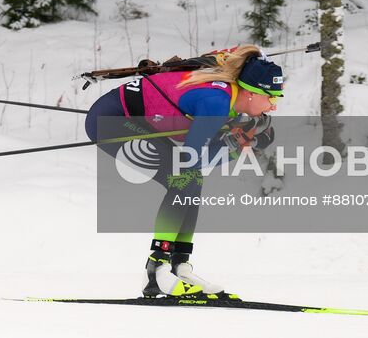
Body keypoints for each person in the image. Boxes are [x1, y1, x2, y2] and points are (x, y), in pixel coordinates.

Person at [83, 44, 284, 297]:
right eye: (272, 97)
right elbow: (191, 160)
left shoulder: (229, 99)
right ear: (252, 93)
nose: (273, 106)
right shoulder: (217, 103)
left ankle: (180, 267)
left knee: (191, 181)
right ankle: (158, 269)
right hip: (111, 120)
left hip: (133, 116)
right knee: (184, 178)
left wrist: (237, 144)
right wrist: (236, 147)